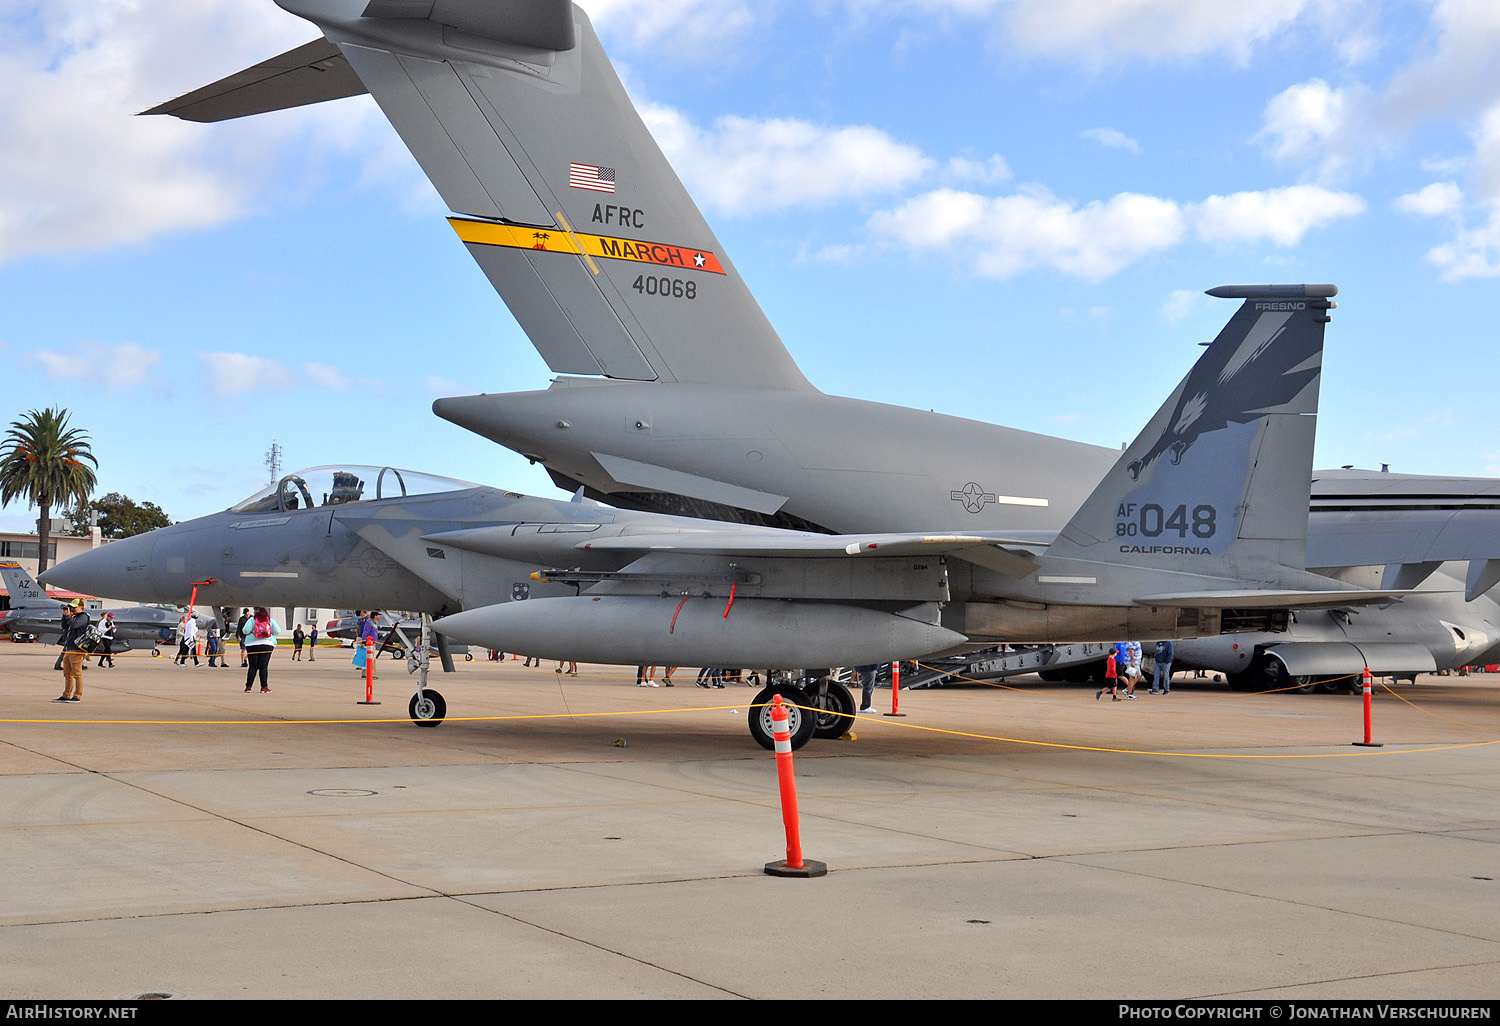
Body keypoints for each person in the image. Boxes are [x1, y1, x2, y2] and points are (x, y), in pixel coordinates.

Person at [55, 600, 90, 702]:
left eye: (74, 607)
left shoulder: (83, 616)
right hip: (69, 648)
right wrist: (64, 616)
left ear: (81, 607)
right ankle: (66, 695)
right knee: (67, 673)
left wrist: (68, 617)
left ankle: (77, 696)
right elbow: (64, 627)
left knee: (77, 674)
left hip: (77, 649)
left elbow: (75, 625)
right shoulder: (73, 617)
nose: (72, 609)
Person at [241, 607, 280, 693]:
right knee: (263, 666)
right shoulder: (270, 620)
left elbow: (245, 631)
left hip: (252, 645)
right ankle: (264, 687)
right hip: (267, 644)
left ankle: (248, 686)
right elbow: (277, 631)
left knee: (253, 666)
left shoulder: (252, 620)